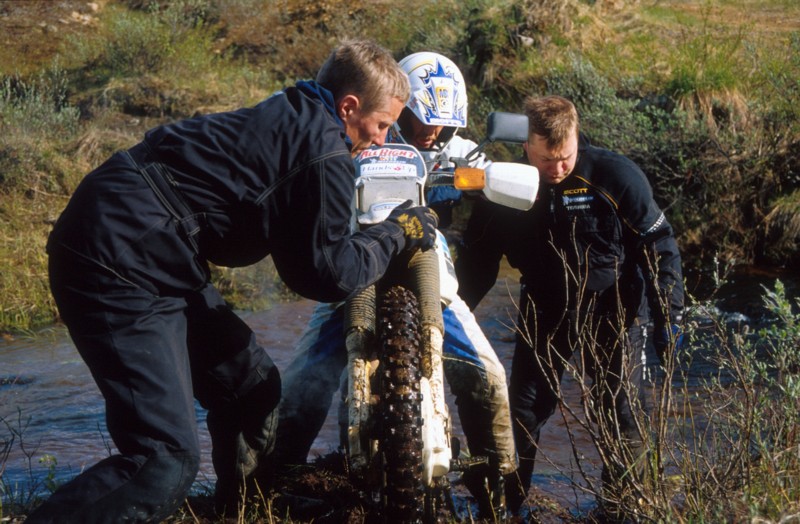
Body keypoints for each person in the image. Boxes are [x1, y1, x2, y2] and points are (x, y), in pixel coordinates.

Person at [28, 40, 440, 523]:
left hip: (155, 249)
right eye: (383, 125)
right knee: (163, 462)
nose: (383, 140)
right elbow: (326, 274)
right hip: (116, 260)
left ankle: (243, 508)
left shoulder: (299, 110)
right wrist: (395, 233)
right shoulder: (325, 152)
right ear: (349, 106)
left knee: (252, 387)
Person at [274, 52, 517, 520]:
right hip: (357, 259)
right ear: (399, 108)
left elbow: (489, 172)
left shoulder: (458, 150)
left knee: (491, 377)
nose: (430, 132)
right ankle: (272, 480)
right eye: (420, 120)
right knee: (301, 380)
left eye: (440, 125)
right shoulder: (365, 132)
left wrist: (482, 179)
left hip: (428, 263)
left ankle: (498, 488)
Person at [455, 95, 684, 517]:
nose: (557, 170)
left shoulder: (615, 176)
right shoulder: (503, 188)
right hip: (545, 305)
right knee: (523, 409)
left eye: (565, 158)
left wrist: (668, 315)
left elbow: (658, 244)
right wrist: (451, 315)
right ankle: (504, 503)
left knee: (617, 406)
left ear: (576, 138)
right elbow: (477, 264)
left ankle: (624, 506)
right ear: (526, 145)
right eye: (546, 160)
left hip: (613, 305)